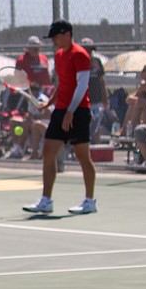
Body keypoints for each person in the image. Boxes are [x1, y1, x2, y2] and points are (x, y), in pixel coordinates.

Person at [23, 20, 97, 215]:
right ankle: (46, 201)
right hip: (61, 111)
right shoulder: (58, 55)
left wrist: (71, 112)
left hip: (78, 112)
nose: (54, 41)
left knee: (83, 157)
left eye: (57, 37)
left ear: (67, 34)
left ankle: (90, 201)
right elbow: (62, 84)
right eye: (53, 38)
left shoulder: (80, 54)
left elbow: (82, 86)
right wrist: (50, 102)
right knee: (48, 152)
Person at [83, 38, 110, 142]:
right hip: (84, 99)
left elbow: (102, 81)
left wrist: (105, 98)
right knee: (86, 121)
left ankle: (95, 148)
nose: (88, 51)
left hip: (97, 98)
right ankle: (85, 145)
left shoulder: (97, 61)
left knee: (97, 124)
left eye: (90, 49)